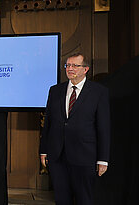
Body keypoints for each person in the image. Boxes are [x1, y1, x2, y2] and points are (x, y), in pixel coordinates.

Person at [39, 53, 110, 205]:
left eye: (75, 66)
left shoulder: (98, 92)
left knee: (85, 199)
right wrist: (44, 151)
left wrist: (103, 159)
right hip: (58, 156)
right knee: (61, 198)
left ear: (86, 69)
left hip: (85, 156)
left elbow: (103, 128)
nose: (70, 69)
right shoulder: (55, 90)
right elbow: (48, 124)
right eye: (68, 66)